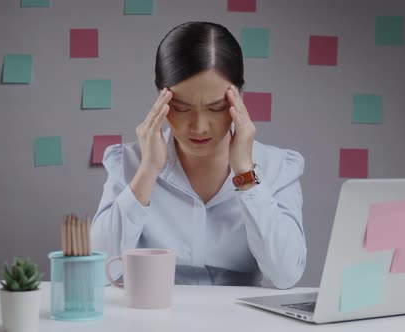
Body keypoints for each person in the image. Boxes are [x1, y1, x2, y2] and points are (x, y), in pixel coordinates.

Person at [91, 21, 306, 289]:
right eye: (181, 108)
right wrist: (147, 171)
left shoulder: (277, 167)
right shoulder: (129, 162)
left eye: (216, 108)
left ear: (239, 96)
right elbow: (96, 272)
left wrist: (246, 174)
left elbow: (286, 275)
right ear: (161, 99)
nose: (200, 126)